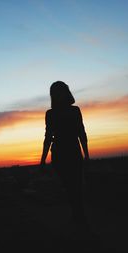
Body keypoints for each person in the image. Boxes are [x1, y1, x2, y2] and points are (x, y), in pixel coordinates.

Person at [40, 81, 90, 223]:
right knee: (69, 187)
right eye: (54, 93)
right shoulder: (50, 114)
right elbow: (48, 137)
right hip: (59, 154)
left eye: (59, 91)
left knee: (77, 187)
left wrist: (86, 155)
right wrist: (43, 160)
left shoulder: (75, 110)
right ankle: (78, 216)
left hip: (74, 152)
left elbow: (82, 133)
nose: (57, 95)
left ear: (66, 93)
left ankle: (79, 217)